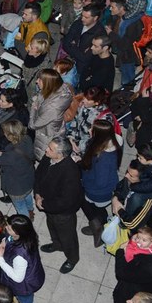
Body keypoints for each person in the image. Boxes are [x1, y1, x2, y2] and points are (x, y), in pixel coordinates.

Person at [34, 137, 82, 274]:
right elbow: (38, 175)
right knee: (52, 227)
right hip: (48, 204)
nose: (46, 150)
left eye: (50, 149)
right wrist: (37, 193)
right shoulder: (48, 157)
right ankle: (57, 244)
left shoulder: (70, 172)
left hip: (63, 213)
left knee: (68, 236)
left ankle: (72, 258)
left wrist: (44, 204)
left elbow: (66, 201)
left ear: (60, 154)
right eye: (48, 147)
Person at [0, 120, 35, 218]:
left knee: (20, 206)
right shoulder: (27, 138)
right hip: (28, 178)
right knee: (28, 196)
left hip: (17, 187)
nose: (3, 133)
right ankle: (30, 210)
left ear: (10, 135)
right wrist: (4, 154)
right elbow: (17, 155)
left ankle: (26, 219)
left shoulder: (11, 155)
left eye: (5, 131)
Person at [79, 120, 122, 248]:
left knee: (94, 208)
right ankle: (97, 224)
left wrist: (85, 182)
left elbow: (100, 182)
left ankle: (99, 227)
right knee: (93, 207)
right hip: (96, 186)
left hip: (98, 191)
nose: (89, 130)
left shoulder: (103, 158)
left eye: (92, 129)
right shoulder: (107, 143)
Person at [0, 214, 45, 303]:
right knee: (21, 297)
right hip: (30, 272)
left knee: (26, 300)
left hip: (24, 285)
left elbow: (18, 278)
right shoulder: (26, 236)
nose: (6, 228)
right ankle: (18, 300)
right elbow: (8, 237)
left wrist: (0, 259)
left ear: (17, 232)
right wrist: (3, 243)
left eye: (9, 227)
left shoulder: (20, 255)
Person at [29, 69, 73, 160]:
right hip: (52, 129)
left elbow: (33, 125)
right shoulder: (58, 88)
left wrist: (33, 107)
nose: (37, 81)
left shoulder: (52, 108)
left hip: (46, 136)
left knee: (44, 158)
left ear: (48, 83)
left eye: (40, 80)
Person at [61, 4, 106, 83]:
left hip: (83, 69)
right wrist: (78, 51)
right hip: (69, 62)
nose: (82, 19)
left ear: (95, 18)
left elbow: (86, 58)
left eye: (86, 17)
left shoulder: (100, 34)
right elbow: (65, 44)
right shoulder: (77, 23)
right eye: (82, 16)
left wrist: (73, 46)